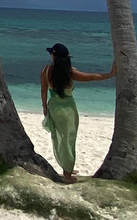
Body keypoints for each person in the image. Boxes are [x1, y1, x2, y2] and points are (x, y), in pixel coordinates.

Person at [41, 43, 116, 183]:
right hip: (69, 109)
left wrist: (44, 107)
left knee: (60, 139)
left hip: (55, 108)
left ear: (54, 56)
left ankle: (67, 166)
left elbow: (44, 91)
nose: (50, 55)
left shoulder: (46, 70)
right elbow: (92, 77)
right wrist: (110, 74)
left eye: (51, 53)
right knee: (69, 139)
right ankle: (67, 173)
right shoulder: (70, 73)